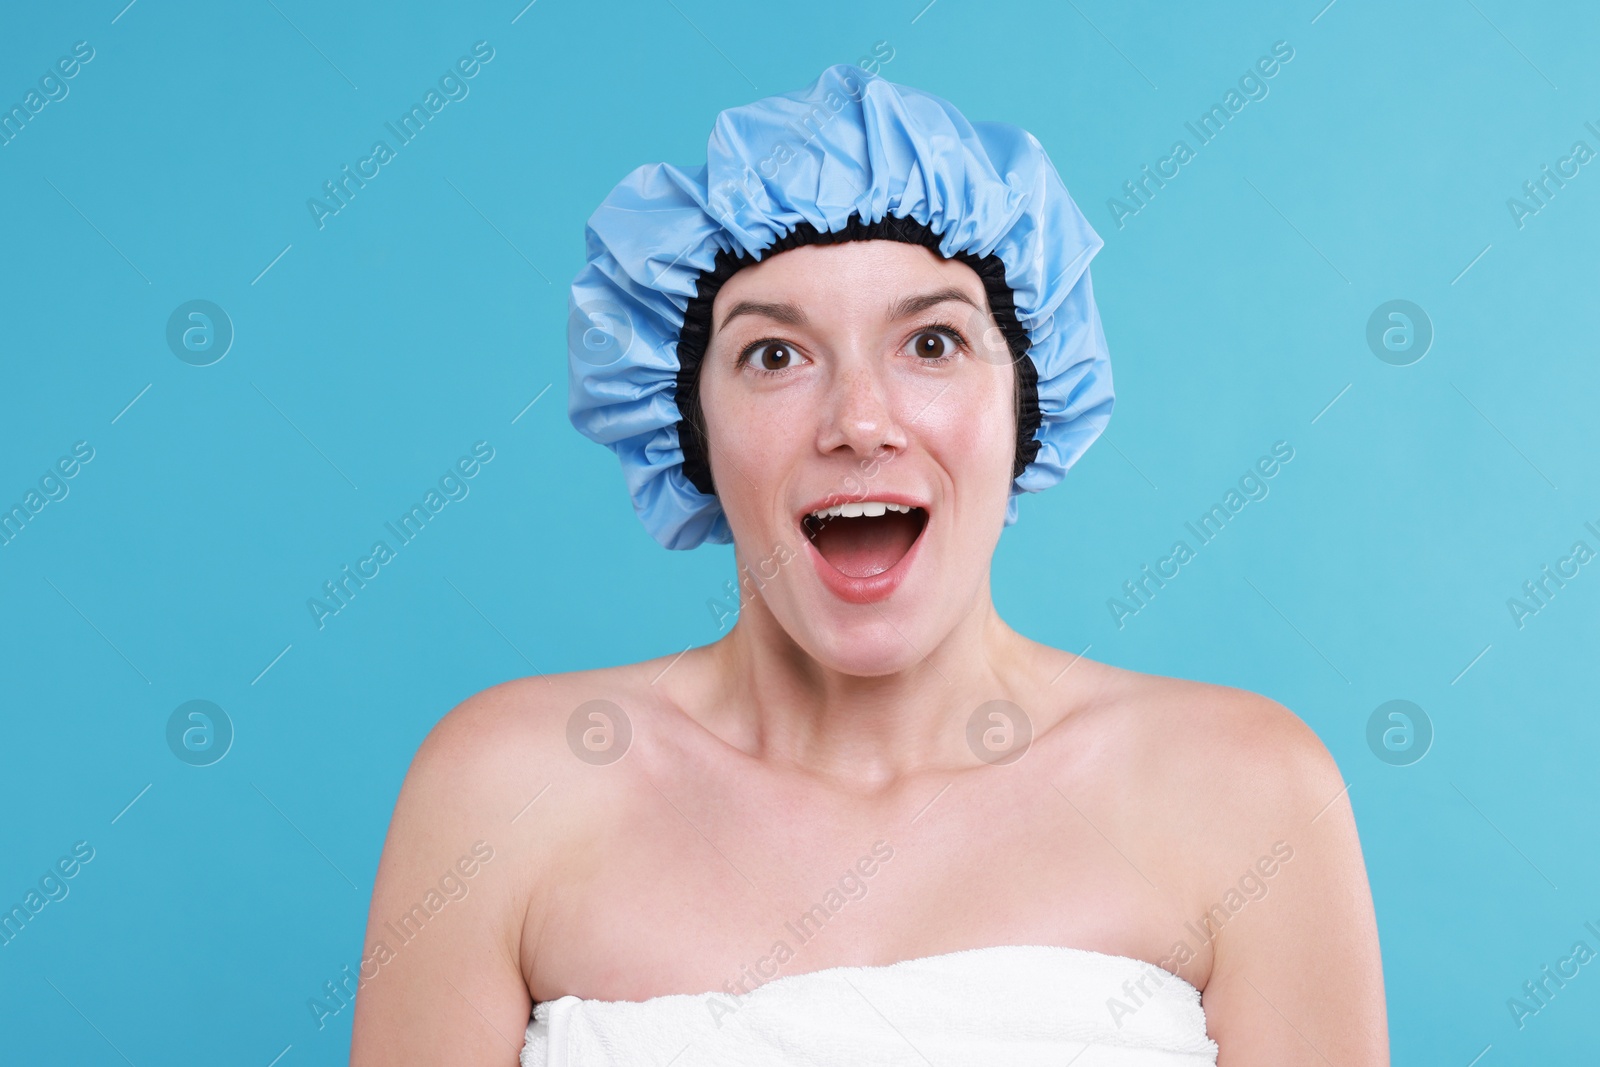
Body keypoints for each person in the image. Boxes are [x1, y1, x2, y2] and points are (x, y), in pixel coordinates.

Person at [349, 65, 1388, 1066]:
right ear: (687, 424)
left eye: (930, 343)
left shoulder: (1247, 793)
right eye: (773, 354)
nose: (858, 421)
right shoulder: (508, 792)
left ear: (1025, 405)